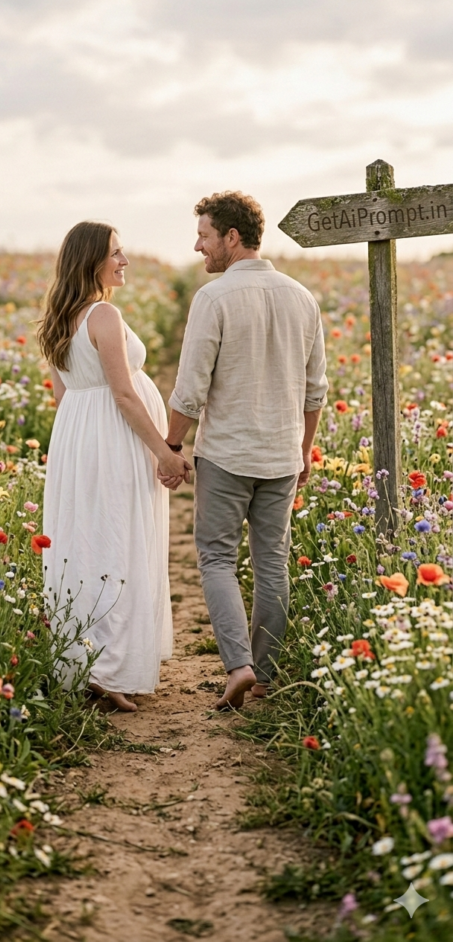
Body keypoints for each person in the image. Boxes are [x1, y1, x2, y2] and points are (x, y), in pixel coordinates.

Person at [162, 191, 328, 710]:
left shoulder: (213, 299)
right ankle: (265, 677)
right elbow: (315, 391)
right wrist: (304, 450)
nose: (198, 246)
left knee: (216, 558)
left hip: (227, 455)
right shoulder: (302, 297)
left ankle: (238, 666)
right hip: (281, 456)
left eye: (204, 236)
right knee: (272, 562)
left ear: (231, 237)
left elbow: (190, 389)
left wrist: (171, 445)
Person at [38, 221, 191, 712]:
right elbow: (123, 394)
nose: (124, 261)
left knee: (86, 543)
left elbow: (63, 396)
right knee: (118, 542)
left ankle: (84, 659)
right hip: (113, 438)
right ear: (91, 261)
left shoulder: (58, 319)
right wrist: (164, 451)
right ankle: (109, 669)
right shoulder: (102, 313)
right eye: (116, 253)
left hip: (78, 439)